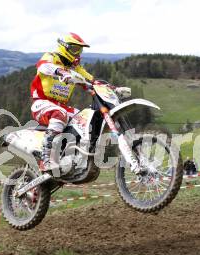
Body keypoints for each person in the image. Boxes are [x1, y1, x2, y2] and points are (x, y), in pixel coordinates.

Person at [30, 33, 129, 172]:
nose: (78, 53)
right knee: (60, 114)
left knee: (85, 119)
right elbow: (42, 66)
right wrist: (61, 72)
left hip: (61, 106)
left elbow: (93, 81)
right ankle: (46, 158)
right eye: (75, 49)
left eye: (80, 50)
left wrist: (114, 89)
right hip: (41, 103)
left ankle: (74, 156)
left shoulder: (75, 68)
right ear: (64, 47)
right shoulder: (51, 57)